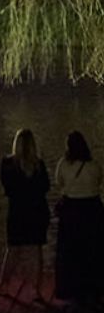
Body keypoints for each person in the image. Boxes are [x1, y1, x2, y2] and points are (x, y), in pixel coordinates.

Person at [0, 128, 50, 302]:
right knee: (36, 250)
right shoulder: (39, 165)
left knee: (13, 249)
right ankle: (36, 290)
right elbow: (45, 187)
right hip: (36, 211)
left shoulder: (7, 164)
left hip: (17, 211)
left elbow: (7, 188)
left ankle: (4, 285)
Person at [54, 130, 104, 304]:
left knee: (71, 251)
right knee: (92, 249)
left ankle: (72, 288)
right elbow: (99, 180)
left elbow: (58, 182)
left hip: (72, 210)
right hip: (92, 209)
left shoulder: (63, 164)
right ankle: (94, 287)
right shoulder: (94, 165)